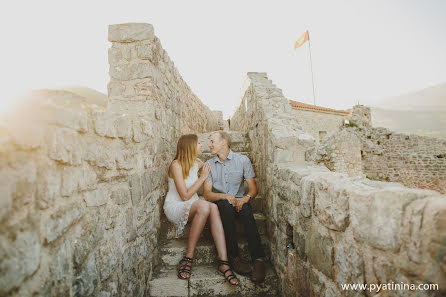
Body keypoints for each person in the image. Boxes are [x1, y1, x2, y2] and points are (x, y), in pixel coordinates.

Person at [163, 134, 239, 285]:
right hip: (176, 205)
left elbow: (215, 170)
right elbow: (184, 196)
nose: (202, 146)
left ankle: (223, 262)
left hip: (195, 206)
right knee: (205, 205)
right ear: (190, 146)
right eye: (198, 143)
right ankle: (189, 255)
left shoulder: (197, 163)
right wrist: (202, 178)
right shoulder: (176, 165)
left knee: (212, 207)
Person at [203, 131, 266, 283]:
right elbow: (207, 194)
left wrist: (245, 198)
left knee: (247, 212)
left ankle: (258, 259)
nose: (209, 145)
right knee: (225, 207)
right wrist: (224, 196)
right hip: (221, 201)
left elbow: (253, 189)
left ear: (223, 142)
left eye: (212, 141)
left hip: (239, 200)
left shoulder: (243, 160)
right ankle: (234, 257)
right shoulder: (209, 164)